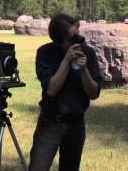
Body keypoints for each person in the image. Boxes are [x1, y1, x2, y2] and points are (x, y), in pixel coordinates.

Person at [29, 13, 102, 171]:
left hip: (76, 123)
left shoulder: (88, 53)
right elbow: (52, 89)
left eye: (78, 34)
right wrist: (67, 61)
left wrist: (84, 71)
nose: (77, 41)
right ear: (59, 39)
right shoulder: (45, 53)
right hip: (50, 123)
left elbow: (94, 93)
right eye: (71, 38)